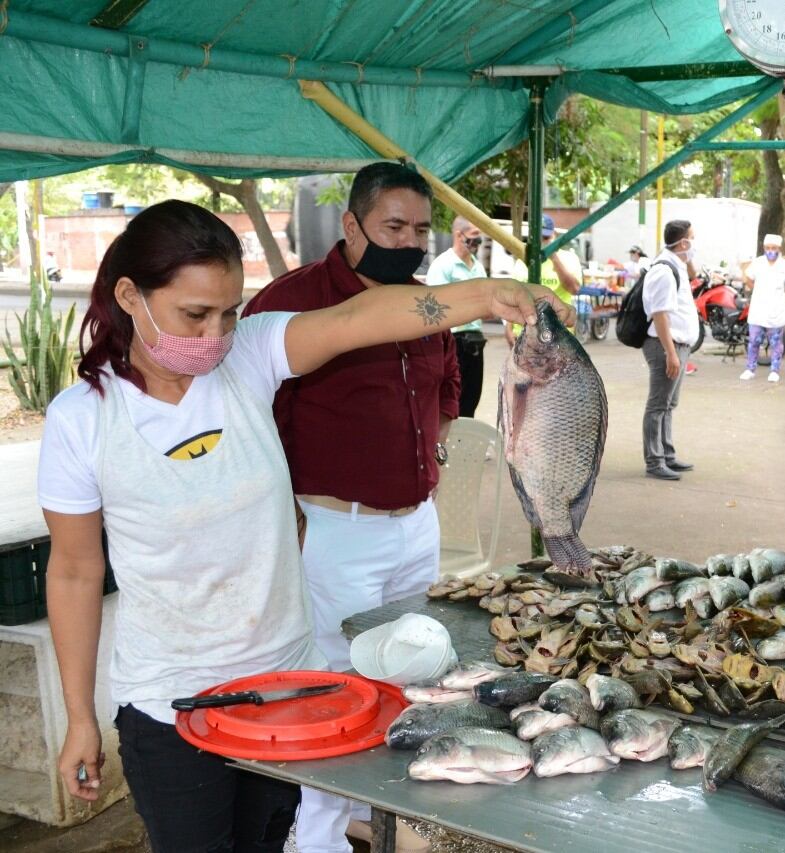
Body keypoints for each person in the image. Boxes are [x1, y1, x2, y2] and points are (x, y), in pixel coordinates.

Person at [40, 199, 574, 853]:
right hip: (170, 700)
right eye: (194, 314)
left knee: (270, 840)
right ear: (130, 296)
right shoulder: (83, 419)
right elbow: (75, 570)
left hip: (288, 685)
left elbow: (358, 318)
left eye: (229, 312)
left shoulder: (247, 357)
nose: (215, 333)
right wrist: (79, 718)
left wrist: (490, 295)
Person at [242, 164, 573, 853]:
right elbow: (248, 418)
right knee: (334, 686)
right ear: (351, 225)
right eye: (393, 226)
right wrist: (284, 511)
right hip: (329, 529)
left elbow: (448, 382)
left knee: (412, 674)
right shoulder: (293, 303)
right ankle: (318, 837)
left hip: (415, 525)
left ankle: (376, 812)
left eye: (421, 229)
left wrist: (432, 444)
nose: (411, 241)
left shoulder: (429, 304)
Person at [641, 219, 700, 481]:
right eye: (692, 238)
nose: (695, 243)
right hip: (665, 346)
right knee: (658, 404)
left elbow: (694, 275)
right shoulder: (664, 270)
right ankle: (654, 461)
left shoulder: (677, 265)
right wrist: (671, 354)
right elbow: (660, 314)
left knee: (668, 404)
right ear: (683, 242)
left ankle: (667, 454)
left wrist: (689, 257)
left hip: (678, 345)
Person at [426, 215, 487, 417]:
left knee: (471, 399)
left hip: (475, 341)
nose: (478, 240)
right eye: (474, 235)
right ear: (459, 235)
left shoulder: (477, 267)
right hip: (453, 340)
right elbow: (435, 307)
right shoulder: (443, 265)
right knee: (451, 401)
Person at [505, 213, 583, 346]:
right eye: (538, 238)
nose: (542, 242)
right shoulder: (523, 261)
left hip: (556, 335)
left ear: (554, 236)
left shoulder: (569, 259)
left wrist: (554, 258)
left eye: (546, 238)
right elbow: (514, 297)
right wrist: (508, 328)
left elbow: (574, 288)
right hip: (524, 335)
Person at [740, 233, 785, 383]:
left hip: (776, 311)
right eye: (768, 248)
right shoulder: (758, 263)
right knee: (754, 341)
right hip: (758, 311)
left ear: (779, 249)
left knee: (776, 344)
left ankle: (774, 370)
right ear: (764, 248)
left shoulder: (783, 265)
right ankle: (750, 369)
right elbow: (748, 278)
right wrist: (757, 289)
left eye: (774, 248)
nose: (770, 251)